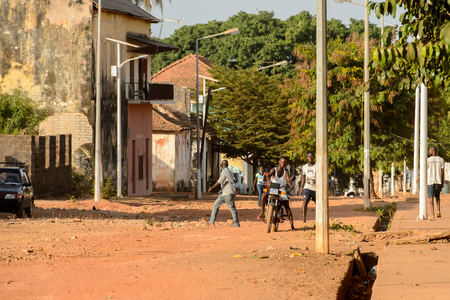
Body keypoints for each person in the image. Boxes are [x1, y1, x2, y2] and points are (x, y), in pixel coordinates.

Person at [258, 157, 295, 231]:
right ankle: (262, 212)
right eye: (282, 162)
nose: (283, 164)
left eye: (284, 162)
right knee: (264, 195)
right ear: (279, 162)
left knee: (287, 206)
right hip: (272, 188)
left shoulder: (286, 171)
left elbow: (288, 179)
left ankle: (292, 226)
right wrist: (268, 181)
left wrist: (290, 185)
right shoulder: (274, 170)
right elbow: (269, 175)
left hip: (281, 189)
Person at [208, 160, 240, 227]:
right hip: (224, 192)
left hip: (228, 193)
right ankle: (212, 221)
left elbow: (219, 181)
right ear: (227, 165)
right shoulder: (230, 171)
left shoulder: (224, 171)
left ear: (221, 165)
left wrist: (211, 188)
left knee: (232, 208)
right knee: (216, 204)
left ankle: (236, 224)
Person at [427, 146, 445, 218]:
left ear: (431, 151)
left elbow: (425, 171)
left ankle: (432, 214)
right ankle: (438, 211)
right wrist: (442, 182)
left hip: (430, 181)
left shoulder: (428, 160)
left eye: (429, 150)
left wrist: (420, 178)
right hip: (438, 181)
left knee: (430, 197)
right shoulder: (441, 159)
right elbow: (442, 172)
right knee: (437, 196)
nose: (429, 152)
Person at [300, 152, 316, 223]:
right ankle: (304, 219)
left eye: (312, 156)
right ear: (307, 158)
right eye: (309, 156)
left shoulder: (317, 166)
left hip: (316, 188)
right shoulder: (304, 167)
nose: (310, 158)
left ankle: (318, 219)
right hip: (307, 187)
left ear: (314, 157)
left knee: (318, 204)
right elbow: (303, 177)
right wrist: (301, 187)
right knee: (305, 201)